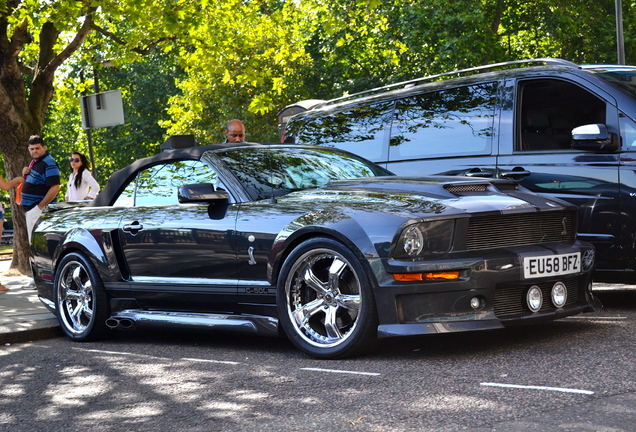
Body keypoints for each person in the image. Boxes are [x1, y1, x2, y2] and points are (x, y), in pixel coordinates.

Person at [21, 135, 60, 242]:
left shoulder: (48, 162)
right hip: (32, 210)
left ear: (44, 148)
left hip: (40, 210)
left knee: (39, 245)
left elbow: (55, 188)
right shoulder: (36, 162)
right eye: (32, 149)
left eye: (37, 148)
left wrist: (39, 207)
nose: (34, 151)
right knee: (34, 244)